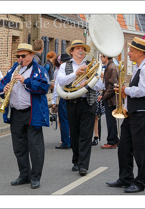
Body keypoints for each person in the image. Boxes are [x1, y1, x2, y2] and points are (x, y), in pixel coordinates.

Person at [106, 37, 145, 193]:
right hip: (133, 114)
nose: (128, 53)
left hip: (143, 115)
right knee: (124, 147)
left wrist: (125, 90)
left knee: (140, 151)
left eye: (131, 51)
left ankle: (140, 182)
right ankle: (125, 178)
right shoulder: (139, 67)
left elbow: (144, 91)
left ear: (140, 52)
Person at [0, 43, 50, 189]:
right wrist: (4, 88)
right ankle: (24, 175)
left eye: (23, 56)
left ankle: (35, 177)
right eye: (18, 56)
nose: (20, 59)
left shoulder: (38, 69)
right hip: (16, 113)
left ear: (31, 55)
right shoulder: (13, 69)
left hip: (32, 113)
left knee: (35, 147)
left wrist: (25, 81)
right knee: (19, 147)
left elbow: (44, 87)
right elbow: (1, 85)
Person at [57, 40, 104, 176]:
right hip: (71, 102)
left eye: (82, 48)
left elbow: (100, 85)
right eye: (77, 48)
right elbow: (60, 81)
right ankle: (76, 160)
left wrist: (88, 83)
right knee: (75, 134)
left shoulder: (92, 65)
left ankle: (83, 165)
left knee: (85, 134)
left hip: (88, 103)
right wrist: (76, 74)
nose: (80, 50)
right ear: (72, 52)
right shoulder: (64, 66)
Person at [100, 54, 120, 149]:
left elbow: (113, 85)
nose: (100, 58)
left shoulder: (111, 67)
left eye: (101, 57)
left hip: (110, 99)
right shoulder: (110, 66)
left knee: (110, 120)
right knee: (111, 120)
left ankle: (111, 141)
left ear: (106, 57)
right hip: (109, 97)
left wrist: (105, 96)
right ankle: (115, 139)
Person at [52, 53, 71, 149]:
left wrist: (54, 100)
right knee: (71, 120)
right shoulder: (72, 68)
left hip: (64, 96)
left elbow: (56, 86)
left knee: (64, 121)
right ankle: (71, 141)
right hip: (72, 96)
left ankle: (66, 142)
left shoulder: (59, 71)